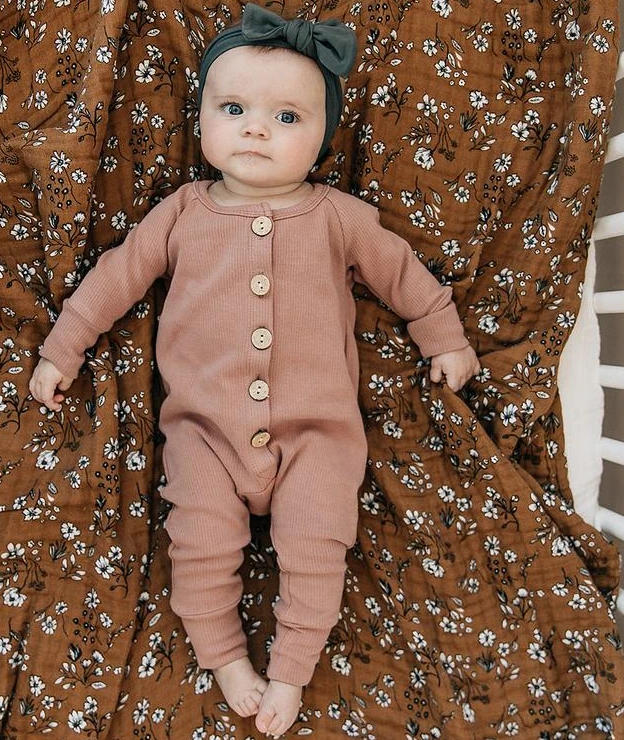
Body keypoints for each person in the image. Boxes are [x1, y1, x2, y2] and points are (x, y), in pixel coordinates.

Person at [29, 5, 481, 737]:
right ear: (202, 119)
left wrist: (444, 337)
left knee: (319, 543)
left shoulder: (338, 216)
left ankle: (293, 666)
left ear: (323, 137)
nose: (256, 130)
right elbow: (115, 278)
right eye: (233, 109)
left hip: (317, 435)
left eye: (287, 117)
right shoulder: (181, 213)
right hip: (205, 431)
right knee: (199, 541)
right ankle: (226, 657)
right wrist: (63, 347)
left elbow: (403, 274)